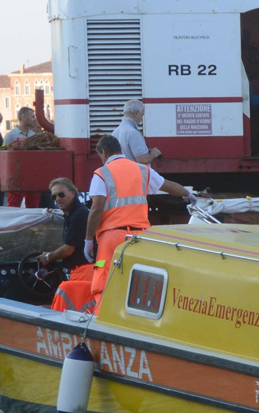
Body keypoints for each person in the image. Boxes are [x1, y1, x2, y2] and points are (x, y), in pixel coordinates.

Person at [85, 135, 194, 307]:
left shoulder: (101, 174)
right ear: (120, 150)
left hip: (112, 238)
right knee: (140, 283)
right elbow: (170, 186)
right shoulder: (142, 170)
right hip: (141, 238)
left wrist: (88, 240)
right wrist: (189, 195)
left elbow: (96, 208)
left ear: (103, 153)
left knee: (103, 279)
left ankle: (103, 323)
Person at [42, 177, 95, 313]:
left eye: (61, 194)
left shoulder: (79, 215)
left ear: (72, 193)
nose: (57, 199)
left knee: (72, 311)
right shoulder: (72, 214)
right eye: (54, 196)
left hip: (84, 273)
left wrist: (48, 256)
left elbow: (67, 250)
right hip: (81, 272)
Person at [3, 106, 42, 207]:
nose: (34, 119)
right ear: (23, 117)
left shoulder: (34, 135)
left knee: (33, 204)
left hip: (33, 175)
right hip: (16, 176)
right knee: (14, 204)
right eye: (32, 116)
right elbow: (4, 156)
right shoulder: (10, 136)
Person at [111, 99, 163, 165]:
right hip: (135, 174)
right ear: (136, 113)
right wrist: (153, 153)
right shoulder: (133, 133)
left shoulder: (114, 133)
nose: (141, 119)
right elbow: (143, 159)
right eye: (142, 115)